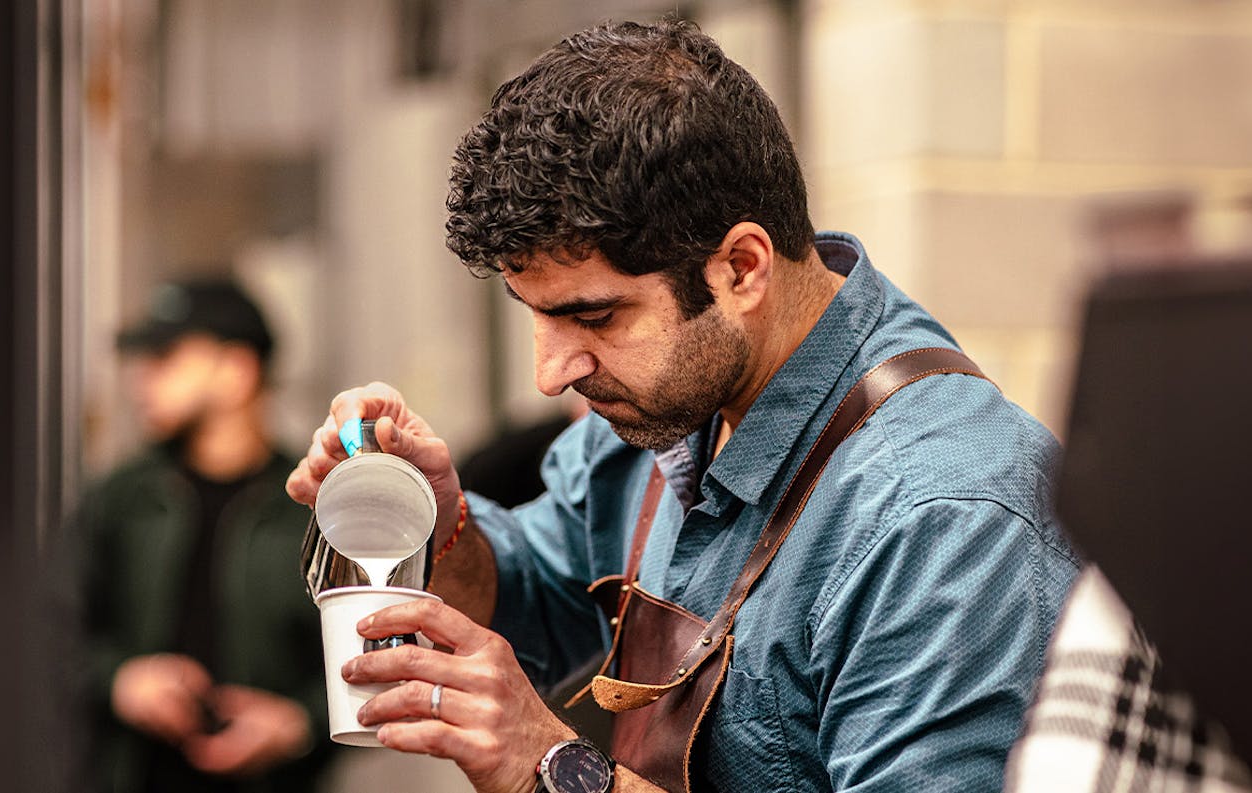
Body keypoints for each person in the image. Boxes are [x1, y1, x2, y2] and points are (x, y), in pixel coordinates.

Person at [286, 20, 1079, 793]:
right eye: (536, 314)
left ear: (741, 268)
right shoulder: (665, 406)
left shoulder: (944, 517)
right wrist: (442, 520)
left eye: (593, 316)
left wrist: (553, 768)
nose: (551, 373)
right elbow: (534, 599)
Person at [78, 278, 329, 793]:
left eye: (166, 357)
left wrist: (298, 726)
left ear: (237, 371)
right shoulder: (122, 499)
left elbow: (370, 664)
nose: (141, 380)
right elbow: (48, 633)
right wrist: (120, 681)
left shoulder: (311, 507)